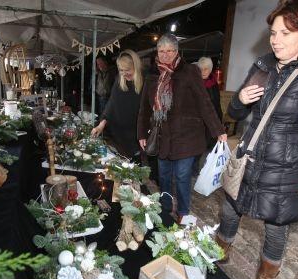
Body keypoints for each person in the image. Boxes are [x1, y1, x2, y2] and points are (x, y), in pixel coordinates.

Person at [214, 1, 298, 279]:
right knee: (229, 211)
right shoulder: (264, 64)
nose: (275, 39)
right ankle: (218, 251)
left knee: (276, 225)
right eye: (273, 32)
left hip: (288, 168)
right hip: (250, 159)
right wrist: (240, 99)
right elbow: (235, 113)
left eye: (285, 33)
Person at [137, 34, 226, 223]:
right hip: (163, 137)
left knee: (183, 176)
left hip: (187, 136)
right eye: (162, 51)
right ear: (157, 53)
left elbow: (204, 102)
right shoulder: (153, 76)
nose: (166, 55)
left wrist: (218, 130)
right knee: (164, 175)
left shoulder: (189, 71)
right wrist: (141, 133)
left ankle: (184, 212)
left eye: (170, 51)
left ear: (177, 52)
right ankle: (166, 208)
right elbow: (144, 108)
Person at [91, 50, 143, 160]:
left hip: (137, 135)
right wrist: (101, 125)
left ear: (136, 66)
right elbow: (111, 104)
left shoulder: (146, 82)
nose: (124, 73)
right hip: (119, 134)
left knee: (135, 165)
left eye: (127, 70)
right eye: (121, 70)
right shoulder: (119, 81)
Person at [197, 57, 222, 121]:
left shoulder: (214, 83)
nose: (203, 71)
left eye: (206, 69)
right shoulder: (195, 82)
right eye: (201, 69)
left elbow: (217, 105)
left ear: (210, 69)